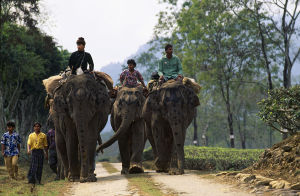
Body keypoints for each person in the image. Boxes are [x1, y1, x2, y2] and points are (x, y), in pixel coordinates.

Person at [27, 122, 48, 188]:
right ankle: (31, 180)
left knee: (40, 166)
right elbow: (28, 143)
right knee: (33, 166)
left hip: (40, 151)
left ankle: (38, 180)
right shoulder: (31, 135)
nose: (37, 127)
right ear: (34, 127)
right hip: (34, 151)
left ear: (40, 127)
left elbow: (45, 145)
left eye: (38, 126)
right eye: (35, 126)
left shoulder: (43, 135)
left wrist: (46, 154)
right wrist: (28, 150)